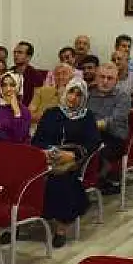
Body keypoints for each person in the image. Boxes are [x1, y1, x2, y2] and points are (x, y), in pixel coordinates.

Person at [30, 80, 101, 247]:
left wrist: (72, 154)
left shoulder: (87, 117)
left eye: (78, 95)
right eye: (71, 92)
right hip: (47, 156)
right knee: (22, 177)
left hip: (73, 162)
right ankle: (19, 223)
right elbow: (37, 139)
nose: (73, 98)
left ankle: (61, 228)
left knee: (61, 181)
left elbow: (93, 143)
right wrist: (47, 151)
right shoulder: (51, 113)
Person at [86, 61, 131, 195]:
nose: (105, 81)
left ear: (116, 81)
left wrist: (88, 126)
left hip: (114, 137)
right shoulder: (90, 94)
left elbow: (113, 121)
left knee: (92, 151)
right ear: (96, 78)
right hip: (93, 134)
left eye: (110, 78)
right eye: (102, 77)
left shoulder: (123, 96)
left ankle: (100, 179)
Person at [11, 41, 47, 107]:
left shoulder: (35, 75)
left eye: (20, 52)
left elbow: (38, 98)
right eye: (14, 52)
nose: (16, 55)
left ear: (29, 57)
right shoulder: (9, 72)